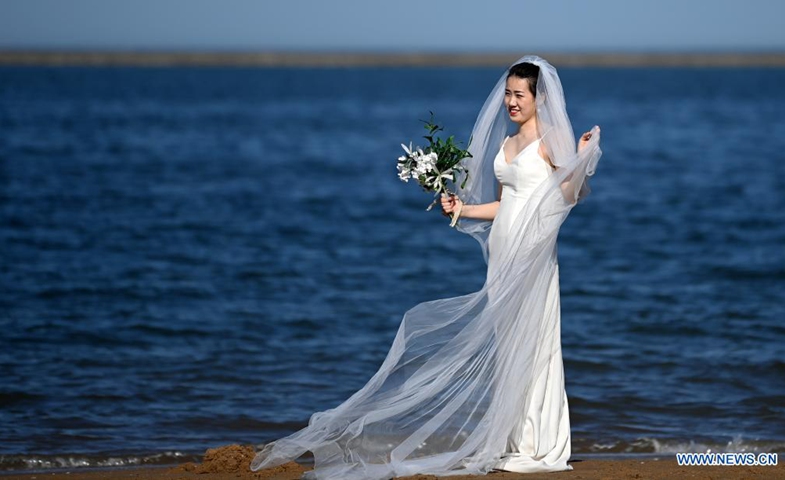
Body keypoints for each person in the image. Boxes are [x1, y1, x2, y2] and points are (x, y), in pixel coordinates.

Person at [250, 55, 602, 480]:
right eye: (508, 93)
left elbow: (569, 195)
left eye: (519, 94)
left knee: (535, 343)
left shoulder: (548, 141)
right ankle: (515, 439)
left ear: (538, 98)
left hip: (532, 255)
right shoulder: (508, 145)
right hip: (502, 255)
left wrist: (582, 157)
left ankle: (540, 444)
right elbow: (510, 204)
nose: (511, 101)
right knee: (509, 347)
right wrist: (464, 209)